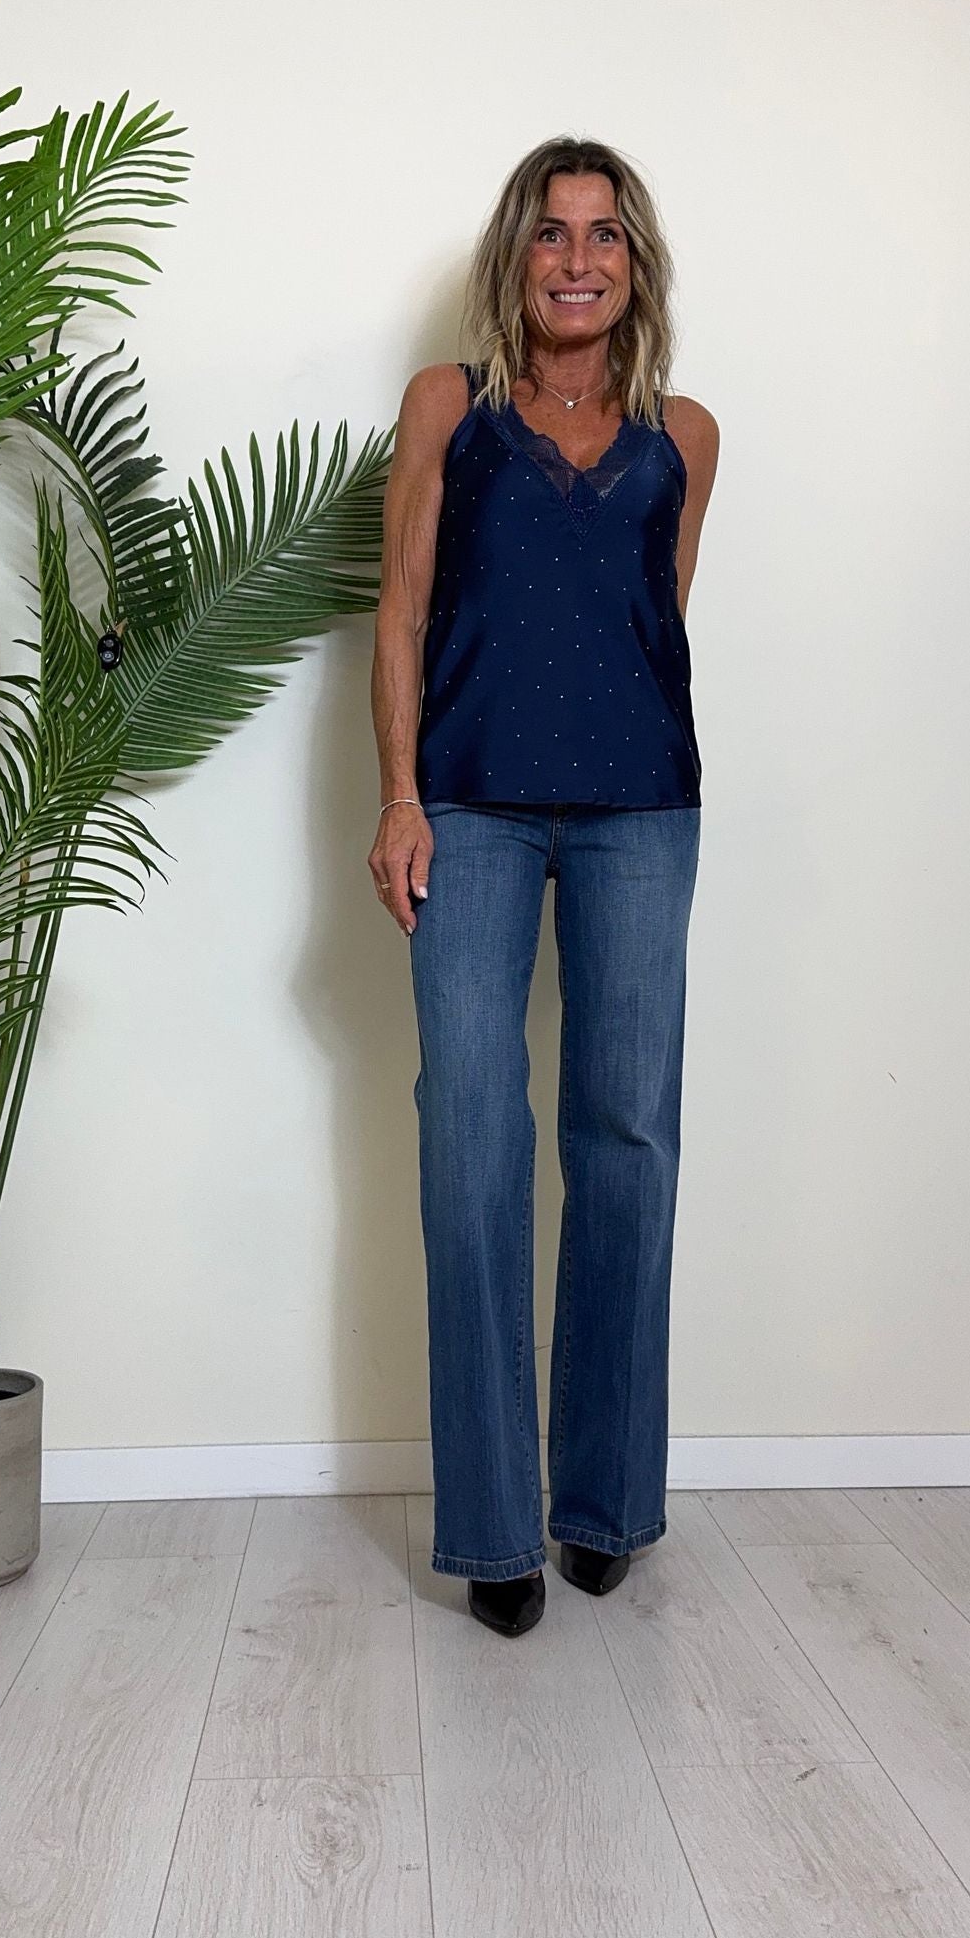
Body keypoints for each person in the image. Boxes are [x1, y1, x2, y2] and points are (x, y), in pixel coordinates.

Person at [369, 135, 718, 1637]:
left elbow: (654, 622)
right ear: (515, 256)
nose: (578, 261)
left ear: (637, 265)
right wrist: (399, 796)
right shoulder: (447, 408)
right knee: (471, 1139)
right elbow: (399, 613)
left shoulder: (684, 435)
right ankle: (498, 1528)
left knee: (628, 1138)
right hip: (470, 808)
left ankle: (604, 1504)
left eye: (605, 236)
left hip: (640, 813)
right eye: (551, 234)